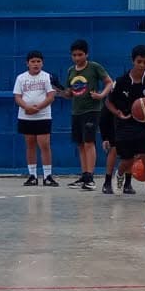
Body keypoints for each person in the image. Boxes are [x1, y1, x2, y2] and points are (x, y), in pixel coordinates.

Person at [105, 44, 145, 204]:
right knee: (128, 160)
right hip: (124, 125)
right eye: (139, 62)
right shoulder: (121, 82)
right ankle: (120, 175)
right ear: (133, 61)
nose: (142, 65)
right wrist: (118, 113)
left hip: (143, 126)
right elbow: (108, 102)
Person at [62, 39, 114, 190]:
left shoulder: (94, 67)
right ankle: (84, 174)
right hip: (76, 111)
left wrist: (101, 95)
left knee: (89, 142)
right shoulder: (71, 71)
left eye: (80, 54)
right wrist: (62, 92)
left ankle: (90, 177)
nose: (77, 58)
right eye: (74, 55)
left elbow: (109, 82)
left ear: (86, 54)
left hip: (91, 110)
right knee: (80, 144)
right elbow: (69, 93)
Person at [13, 51, 58, 186]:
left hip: (43, 116)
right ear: (27, 63)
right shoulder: (21, 78)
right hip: (26, 117)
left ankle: (47, 175)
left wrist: (37, 107)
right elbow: (17, 97)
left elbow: (51, 96)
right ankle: (32, 175)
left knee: (44, 144)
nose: (36, 64)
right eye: (33, 61)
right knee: (30, 144)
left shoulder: (47, 77)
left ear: (42, 63)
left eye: (38, 61)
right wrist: (27, 107)